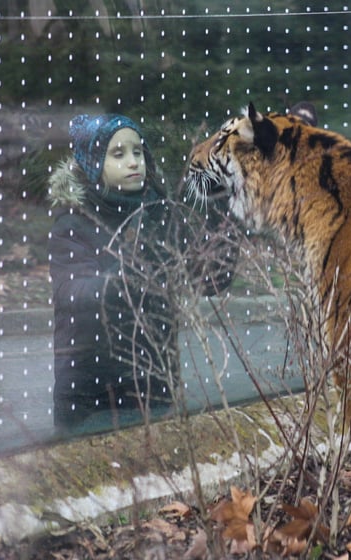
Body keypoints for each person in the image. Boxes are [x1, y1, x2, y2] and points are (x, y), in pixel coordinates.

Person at [48, 113, 235, 429]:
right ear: (94, 164)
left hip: (153, 381)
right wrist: (127, 273)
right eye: (117, 154)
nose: (133, 161)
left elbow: (210, 280)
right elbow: (73, 294)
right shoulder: (73, 222)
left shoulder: (159, 214)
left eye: (138, 152)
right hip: (89, 388)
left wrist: (220, 212)